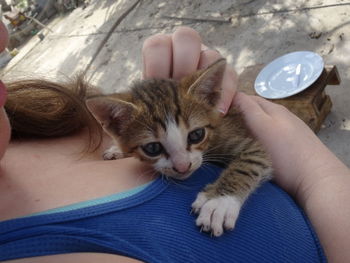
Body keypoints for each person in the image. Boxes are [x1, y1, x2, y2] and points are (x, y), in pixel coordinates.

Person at [0, 22, 349, 262]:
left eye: (196, 137)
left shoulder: (38, 118)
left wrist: (228, 190)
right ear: (115, 127)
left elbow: (256, 154)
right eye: (155, 149)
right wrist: (315, 170)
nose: (183, 165)